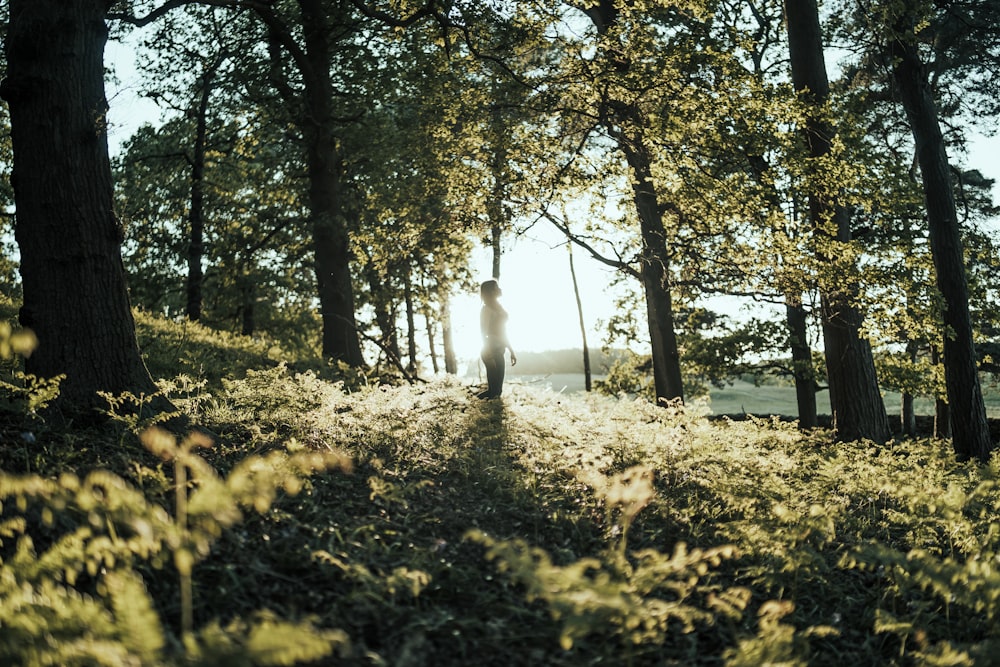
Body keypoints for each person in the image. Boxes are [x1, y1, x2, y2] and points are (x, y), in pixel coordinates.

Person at [478, 279, 516, 399]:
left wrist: (511, 351)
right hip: (491, 351)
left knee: (495, 390)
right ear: (491, 291)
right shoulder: (486, 309)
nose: (500, 289)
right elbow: (483, 332)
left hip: (499, 350)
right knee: (495, 391)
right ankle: (476, 407)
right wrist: (488, 352)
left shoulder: (498, 308)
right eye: (496, 287)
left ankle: (474, 405)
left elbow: (503, 331)